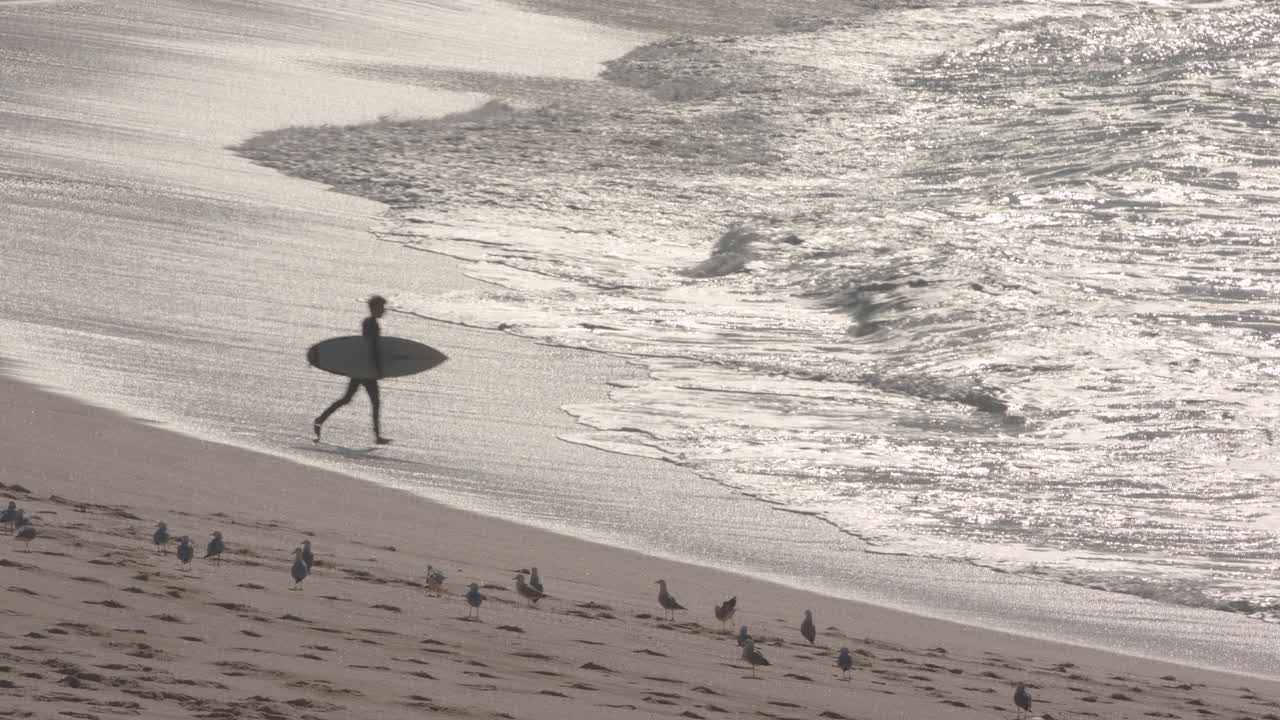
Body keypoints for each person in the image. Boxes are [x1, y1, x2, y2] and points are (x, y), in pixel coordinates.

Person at [314, 295, 392, 445]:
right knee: (374, 402)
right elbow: (372, 348)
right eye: (382, 308)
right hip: (366, 370)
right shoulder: (372, 324)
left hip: (360, 367)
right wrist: (377, 370)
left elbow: (366, 346)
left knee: (347, 399)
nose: (384, 310)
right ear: (374, 308)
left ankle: (320, 419)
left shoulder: (368, 322)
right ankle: (377, 436)